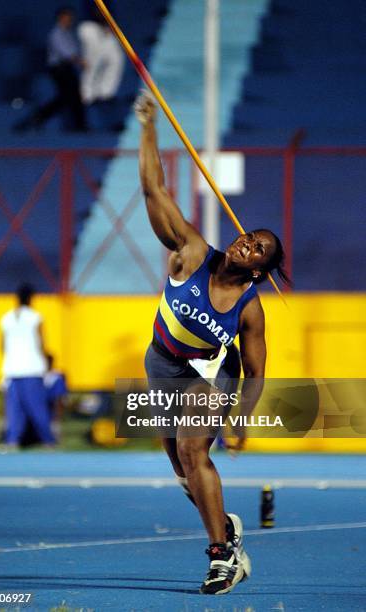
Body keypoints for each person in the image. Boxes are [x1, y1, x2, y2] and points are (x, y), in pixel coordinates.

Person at [134, 92, 290, 595]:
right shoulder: (192, 251)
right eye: (251, 235)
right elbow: (153, 188)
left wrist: (242, 417)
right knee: (183, 470)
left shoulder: (249, 309)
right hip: (161, 363)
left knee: (192, 448)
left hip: (209, 376)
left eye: (259, 249)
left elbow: (256, 371)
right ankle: (225, 526)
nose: (249, 242)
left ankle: (222, 556)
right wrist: (148, 126)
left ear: (260, 270)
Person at [14, 7, 87, 132]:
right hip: (59, 69)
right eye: (66, 17)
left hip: (67, 68)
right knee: (66, 98)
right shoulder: (56, 34)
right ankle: (38, 118)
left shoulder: (68, 34)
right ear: (60, 18)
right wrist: (79, 61)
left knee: (72, 97)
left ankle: (79, 125)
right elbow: (66, 53)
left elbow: (74, 51)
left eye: (70, 17)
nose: (69, 20)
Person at [0, 284, 56, 449]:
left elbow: (1, 345)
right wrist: (47, 362)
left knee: (14, 409)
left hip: (12, 369)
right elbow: (41, 343)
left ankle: (12, 441)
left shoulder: (6, 318)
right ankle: (48, 441)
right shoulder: (35, 317)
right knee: (37, 407)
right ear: (31, 298)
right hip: (32, 368)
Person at [78, 6, 124, 106]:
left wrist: (107, 26)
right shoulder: (88, 25)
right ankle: (87, 95)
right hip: (90, 27)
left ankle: (105, 92)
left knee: (116, 59)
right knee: (92, 62)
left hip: (104, 29)